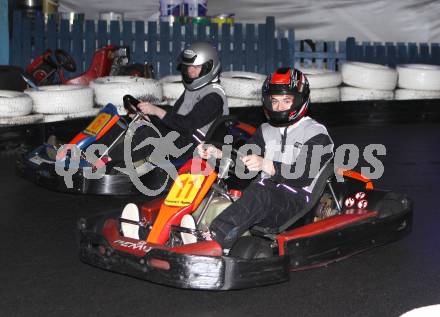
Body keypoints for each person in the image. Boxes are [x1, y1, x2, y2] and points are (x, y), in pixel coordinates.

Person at [187, 67, 334, 251]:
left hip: (296, 202)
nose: (279, 107)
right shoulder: (265, 130)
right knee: (214, 188)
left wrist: (267, 164)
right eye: (275, 101)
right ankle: (176, 229)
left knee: (260, 192)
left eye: (286, 101)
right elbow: (244, 161)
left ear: (299, 101)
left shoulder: (316, 133)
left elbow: (303, 174)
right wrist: (218, 153)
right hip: (265, 194)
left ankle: (214, 240)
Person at [110, 41, 229, 165]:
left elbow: (187, 125)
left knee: (149, 135)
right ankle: (98, 154)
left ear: (209, 67)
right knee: (127, 124)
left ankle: (107, 161)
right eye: (189, 67)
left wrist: (156, 111)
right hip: (180, 137)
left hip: (195, 147)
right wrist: (149, 115)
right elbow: (175, 116)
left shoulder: (214, 97)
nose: (191, 71)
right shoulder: (195, 89)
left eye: (196, 67)